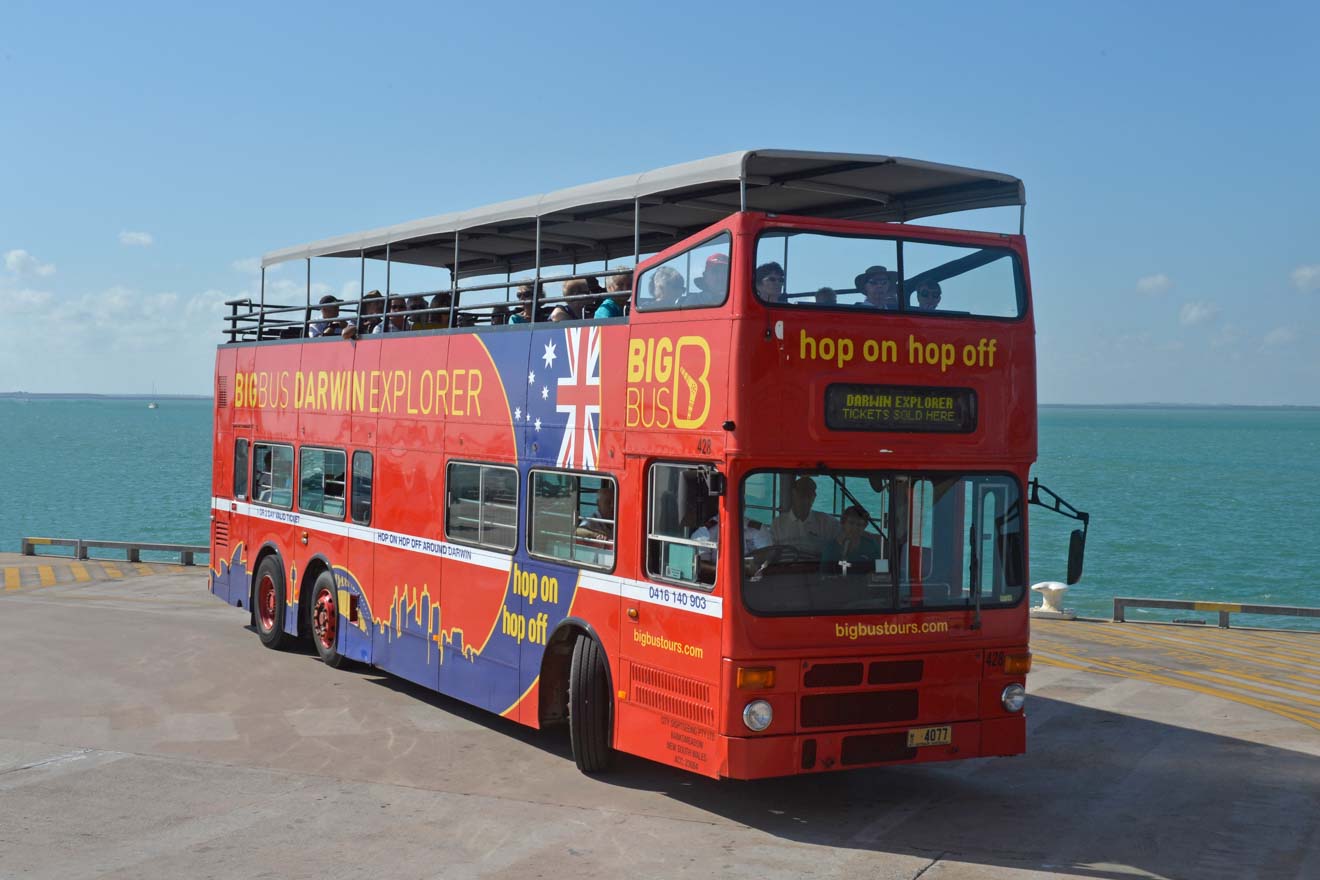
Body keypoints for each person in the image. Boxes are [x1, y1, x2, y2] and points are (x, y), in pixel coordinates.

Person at [770, 477, 840, 560]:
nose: (806, 500)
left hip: (815, 571)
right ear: (793, 493)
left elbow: (841, 547)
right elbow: (771, 555)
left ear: (814, 497)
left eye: (809, 496)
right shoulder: (777, 524)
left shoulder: (828, 523)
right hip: (786, 570)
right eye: (802, 495)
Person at [821, 505, 885, 574]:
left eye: (859, 524)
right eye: (851, 523)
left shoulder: (871, 545)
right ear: (843, 523)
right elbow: (825, 576)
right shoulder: (831, 548)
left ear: (864, 526)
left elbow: (883, 570)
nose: (855, 528)